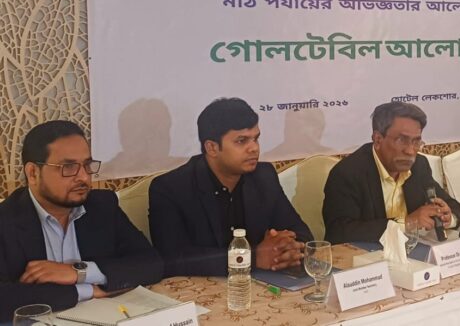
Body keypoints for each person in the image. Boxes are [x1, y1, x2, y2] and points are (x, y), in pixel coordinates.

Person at [0, 121, 162, 321]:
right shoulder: (6, 220)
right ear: (33, 173)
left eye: (87, 165)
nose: (84, 177)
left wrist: (78, 272)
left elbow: (151, 263)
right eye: (68, 167)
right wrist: (86, 291)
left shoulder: (102, 206)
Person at [149, 98, 312, 278]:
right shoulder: (171, 189)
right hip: (204, 290)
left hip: (263, 284)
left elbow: (302, 233)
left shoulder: (263, 176)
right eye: (241, 141)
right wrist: (251, 258)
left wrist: (285, 247)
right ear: (212, 147)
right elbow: (172, 259)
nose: (254, 148)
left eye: (256, 139)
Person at [322, 102, 460, 244]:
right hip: (369, 255)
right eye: (401, 140)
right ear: (378, 139)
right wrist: (406, 223)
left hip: (414, 251)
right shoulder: (348, 173)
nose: (410, 151)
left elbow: (455, 208)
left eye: (416, 142)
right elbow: (339, 232)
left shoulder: (419, 165)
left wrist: (447, 218)